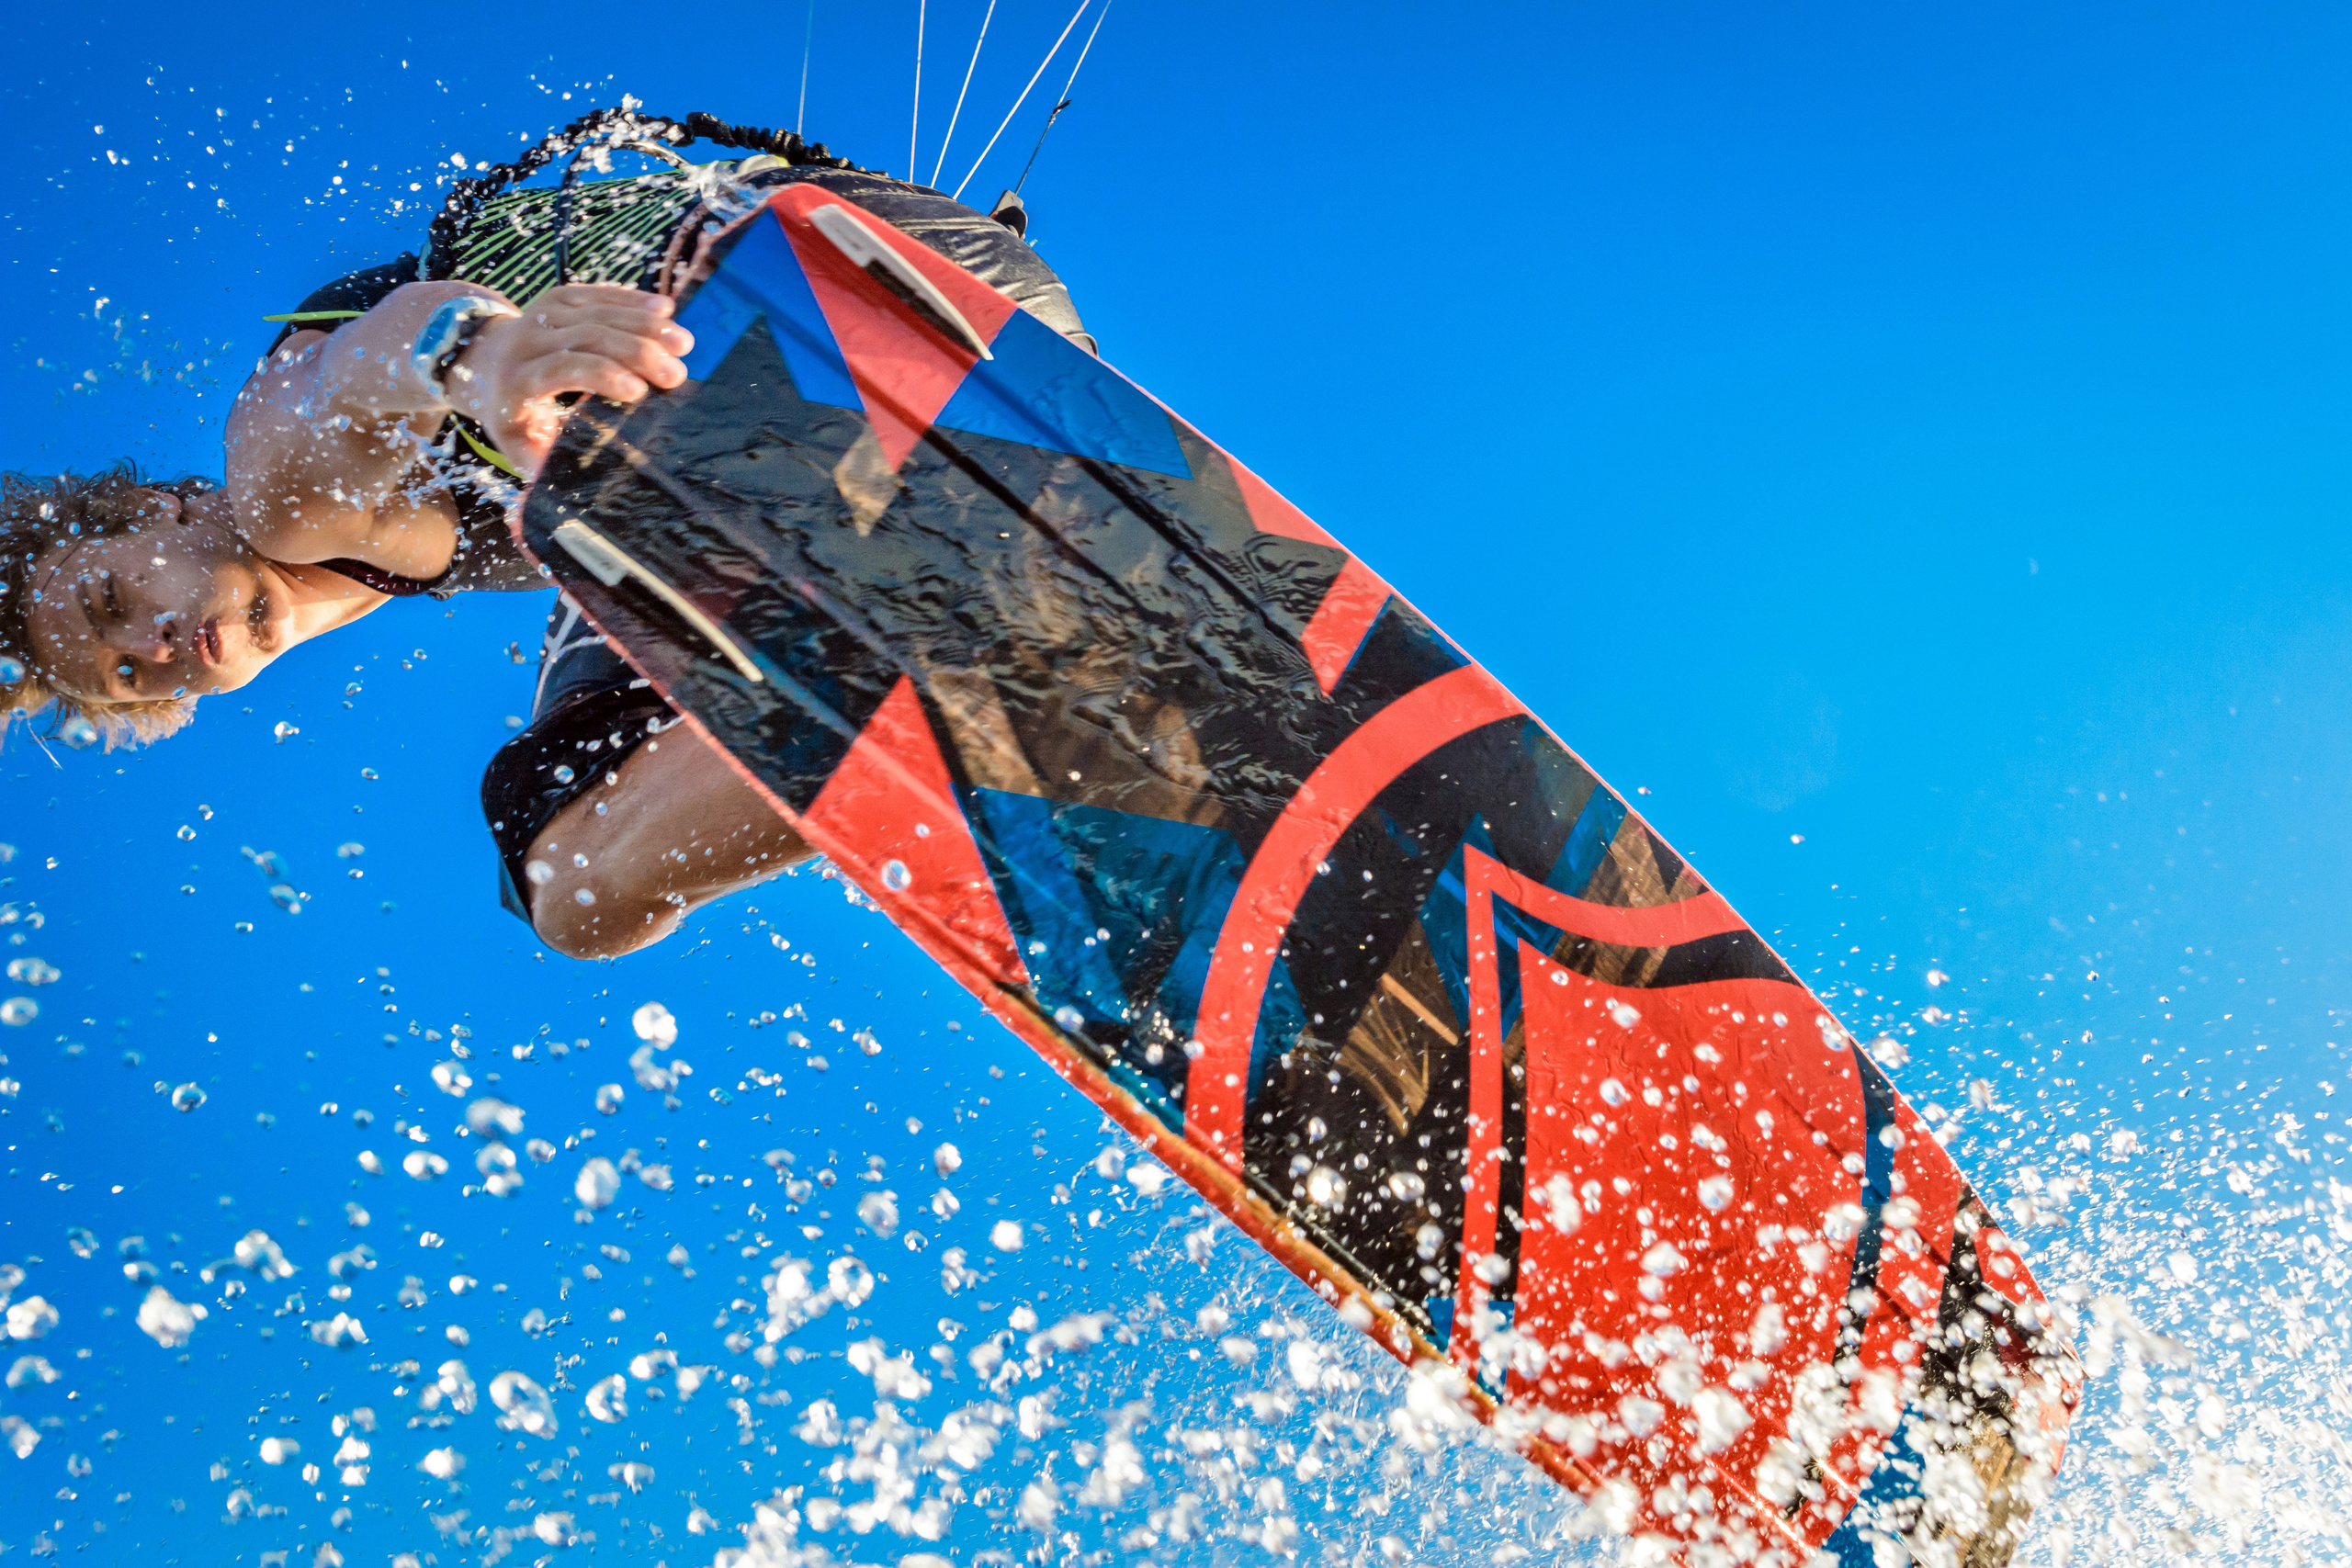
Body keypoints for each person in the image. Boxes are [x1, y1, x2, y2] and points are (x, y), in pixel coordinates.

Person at [5, 107, 1095, 959]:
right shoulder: (396, 554)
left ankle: (975, 634)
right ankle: (956, 705)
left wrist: (473, 358)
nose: (150, 643)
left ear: (157, 510)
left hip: (845, 294)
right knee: (570, 878)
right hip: (919, 404)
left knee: (336, 525)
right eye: (126, 673)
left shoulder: (273, 492)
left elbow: (352, 382)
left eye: (111, 601)